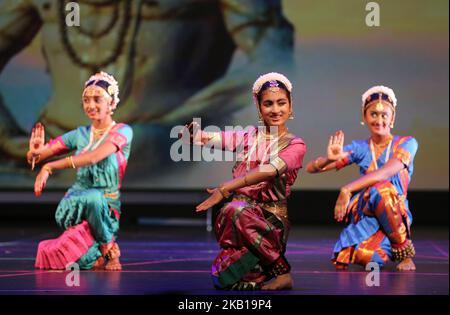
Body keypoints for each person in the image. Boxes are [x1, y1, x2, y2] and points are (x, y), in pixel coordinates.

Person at [188, 72, 306, 290]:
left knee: (234, 209)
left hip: (270, 221)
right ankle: (256, 267)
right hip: (241, 218)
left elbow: (269, 171)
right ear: (259, 108)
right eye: (268, 104)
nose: (275, 109)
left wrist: (226, 188)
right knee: (226, 278)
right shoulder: (249, 136)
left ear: (290, 107)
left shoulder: (295, 145)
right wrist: (196, 136)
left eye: (281, 103)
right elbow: (212, 138)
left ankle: (282, 272)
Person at [306, 85, 418, 271]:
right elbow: (311, 169)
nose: (379, 120)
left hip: (395, 213)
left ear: (393, 118)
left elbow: (385, 173)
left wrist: (347, 189)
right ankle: (382, 245)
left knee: (382, 188)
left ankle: (403, 253)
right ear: (364, 117)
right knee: (351, 256)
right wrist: (328, 159)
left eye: (384, 115)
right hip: (367, 212)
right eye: (373, 114)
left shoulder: (407, 143)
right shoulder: (360, 148)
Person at [31, 71, 133, 271]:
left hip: (108, 209)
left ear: (111, 103)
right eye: (86, 100)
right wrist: (35, 153)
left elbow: (94, 157)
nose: (90, 105)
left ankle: (96, 250)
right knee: (92, 197)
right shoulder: (79, 135)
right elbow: (40, 155)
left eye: (97, 99)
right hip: (74, 204)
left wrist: (50, 167)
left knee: (83, 261)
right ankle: (109, 249)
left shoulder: (123, 131)